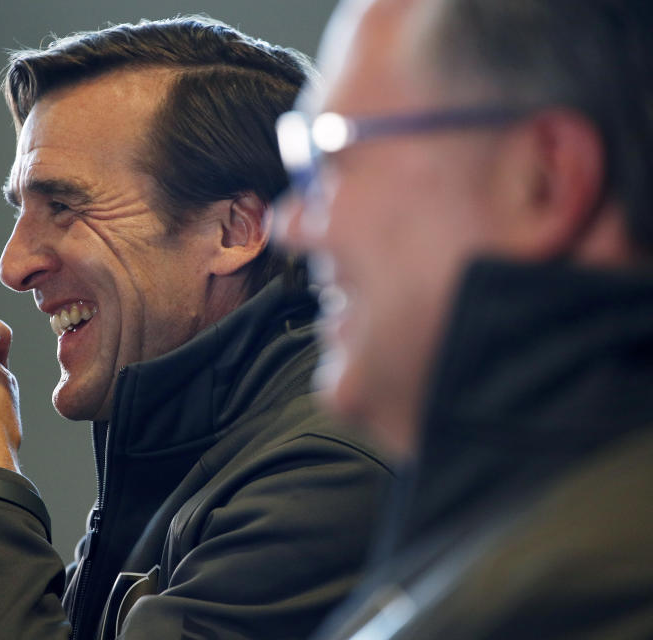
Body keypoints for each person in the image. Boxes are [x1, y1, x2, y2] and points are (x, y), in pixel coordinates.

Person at [0, 17, 393, 640]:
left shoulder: (327, 474)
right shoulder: (182, 457)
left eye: (66, 205)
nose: (13, 265)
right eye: (22, 209)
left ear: (234, 231)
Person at [273, 0, 653, 637]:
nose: (289, 226)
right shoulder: (524, 548)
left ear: (544, 180)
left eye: (329, 157)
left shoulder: (584, 599)